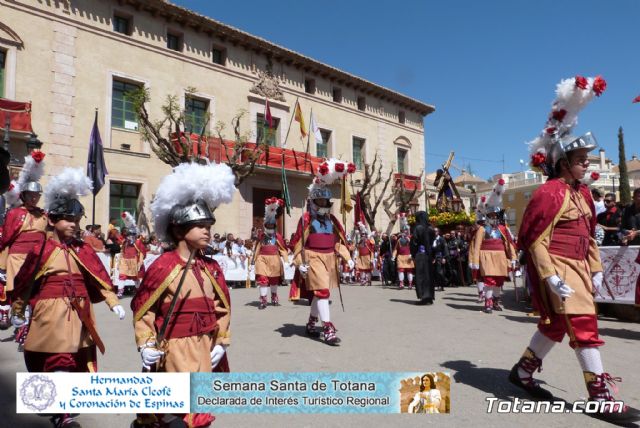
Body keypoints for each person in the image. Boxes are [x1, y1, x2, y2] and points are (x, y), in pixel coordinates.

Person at [511, 75, 639, 423]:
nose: (587, 163)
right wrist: (550, 277)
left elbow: (589, 232)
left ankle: (522, 372)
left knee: (555, 326)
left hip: (580, 268)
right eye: (581, 158)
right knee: (583, 326)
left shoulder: (582, 193)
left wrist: (595, 268)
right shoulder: (547, 193)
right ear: (562, 162)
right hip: (559, 268)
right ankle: (599, 394)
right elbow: (535, 240)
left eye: (586, 157)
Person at [11, 167, 125, 428]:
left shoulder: (83, 249)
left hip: (81, 313)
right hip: (51, 313)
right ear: (52, 220)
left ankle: (63, 408)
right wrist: (18, 312)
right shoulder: (42, 248)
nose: (73, 224)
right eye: (67, 219)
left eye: (76, 219)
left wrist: (114, 302)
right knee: (56, 358)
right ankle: (64, 414)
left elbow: (99, 278)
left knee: (76, 359)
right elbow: (25, 283)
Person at [131, 162, 234, 428]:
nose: (206, 230)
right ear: (178, 230)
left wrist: (221, 342)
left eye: (208, 225)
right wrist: (146, 344)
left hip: (204, 348)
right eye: (198, 225)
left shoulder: (211, 267)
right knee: (176, 414)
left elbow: (222, 309)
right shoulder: (163, 266)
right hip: (174, 350)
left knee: (200, 414)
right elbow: (144, 309)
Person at [290, 159, 355, 346]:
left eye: (326, 200)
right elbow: (298, 243)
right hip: (313, 258)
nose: (324, 202)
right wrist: (298, 262)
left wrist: (347, 257)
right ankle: (327, 327)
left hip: (329, 258)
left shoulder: (332, 220)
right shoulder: (306, 219)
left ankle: (311, 323)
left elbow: (338, 242)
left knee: (320, 294)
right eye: (320, 200)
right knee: (323, 292)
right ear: (313, 201)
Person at [0, 152, 47, 327]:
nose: (34, 198)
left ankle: (32, 326)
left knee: (37, 293)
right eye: (31, 195)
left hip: (39, 259)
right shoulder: (15, 213)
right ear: (24, 195)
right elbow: (6, 241)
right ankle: (21, 327)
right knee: (20, 293)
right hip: (17, 259)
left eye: (37, 195)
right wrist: (2, 266)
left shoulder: (44, 215)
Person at [469, 180, 517, 313]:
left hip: (500, 258)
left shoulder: (502, 228)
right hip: (487, 258)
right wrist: (474, 261)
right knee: (489, 280)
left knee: (498, 281)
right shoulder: (482, 229)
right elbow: (476, 246)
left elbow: (509, 244)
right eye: (491, 216)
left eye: (495, 216)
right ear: (487, 216)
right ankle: (488, 303)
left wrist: (513, 258)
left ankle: (495, 302)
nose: (493, 218)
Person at [251, 198, 288, 309]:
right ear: (265, 226)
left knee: (273, 280)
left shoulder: (278, 237)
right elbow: (256, 247)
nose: (270, 227)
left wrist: (286, 260)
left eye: (272, 226)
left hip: (274, 259)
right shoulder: (261, 236)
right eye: (269, 226)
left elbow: (283, 249)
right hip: (262, 259)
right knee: (263, 279)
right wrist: (253, 260)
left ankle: (274, 296)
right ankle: (263, 300)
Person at [116, 212, 146, 298]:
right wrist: (120, 262)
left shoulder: (138, 242)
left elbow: (142, 252)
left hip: (134, 261)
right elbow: (123, 251)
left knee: (135, 278)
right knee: (122, 276)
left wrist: (140, 262)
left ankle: (139, 291)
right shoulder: (125, 242)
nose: (129, 236)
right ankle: (120, 292)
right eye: (128, 235)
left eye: (131, 235)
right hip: (125, 261)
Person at [410, 211, 435, 305]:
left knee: (421, 276)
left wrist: (413, 254)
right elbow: (432, 242)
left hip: (420, 255)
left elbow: (414, 242)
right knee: (428, 276)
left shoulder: (418, 228)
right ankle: (430, 297)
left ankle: (424, 297)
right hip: (428, 255)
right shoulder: (430, 229)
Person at [393, 214, 415, 289]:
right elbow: (396, 249)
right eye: (403, 230)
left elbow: (413, 246)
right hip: (400, 257)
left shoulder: (411, 238)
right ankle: (401, 283)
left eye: (406, 230)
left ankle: (410, 284)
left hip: (408, 256)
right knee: (400, 270)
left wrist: (412, 254)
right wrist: (393, 255)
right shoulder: (399, 240)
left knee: (409, 271)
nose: (405, 231)